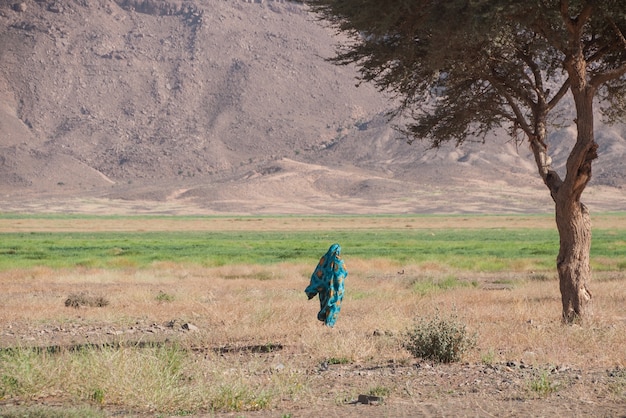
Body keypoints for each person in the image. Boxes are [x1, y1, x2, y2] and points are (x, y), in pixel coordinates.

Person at [305, 243, 347, 327]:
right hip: (335, 290)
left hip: (327, 289)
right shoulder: (339, 262)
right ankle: (328, 323)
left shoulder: (324, 261)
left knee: (328, 305)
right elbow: (344, 273)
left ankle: (328, 324)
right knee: (333, 306)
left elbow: (317, 274)